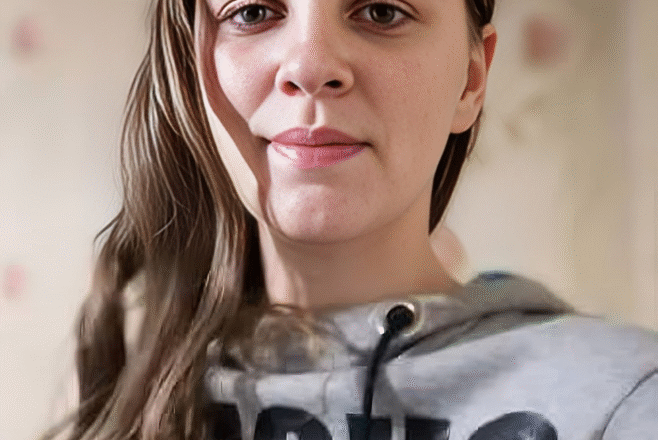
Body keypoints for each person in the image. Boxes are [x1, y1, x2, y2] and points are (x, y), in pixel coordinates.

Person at [43, 0, 658, 439]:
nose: (310, 66)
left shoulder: (628, 397)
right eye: (253, 12)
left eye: (381, 12)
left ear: (472, 80)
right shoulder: (121, 383)